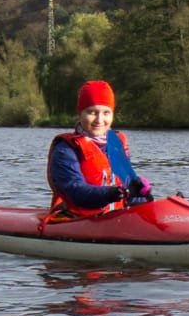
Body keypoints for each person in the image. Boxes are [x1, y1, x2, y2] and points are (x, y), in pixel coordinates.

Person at [46, 79, 152, 220]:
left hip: (113, 220)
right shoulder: (66, 150)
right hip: (76, 220)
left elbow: (128, 191)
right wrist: (113, 193)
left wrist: (142, 193)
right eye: (92, 112)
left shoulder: (117, 145)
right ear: (80, 113)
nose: (99, 120)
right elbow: (76, 192)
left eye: (106, 113)